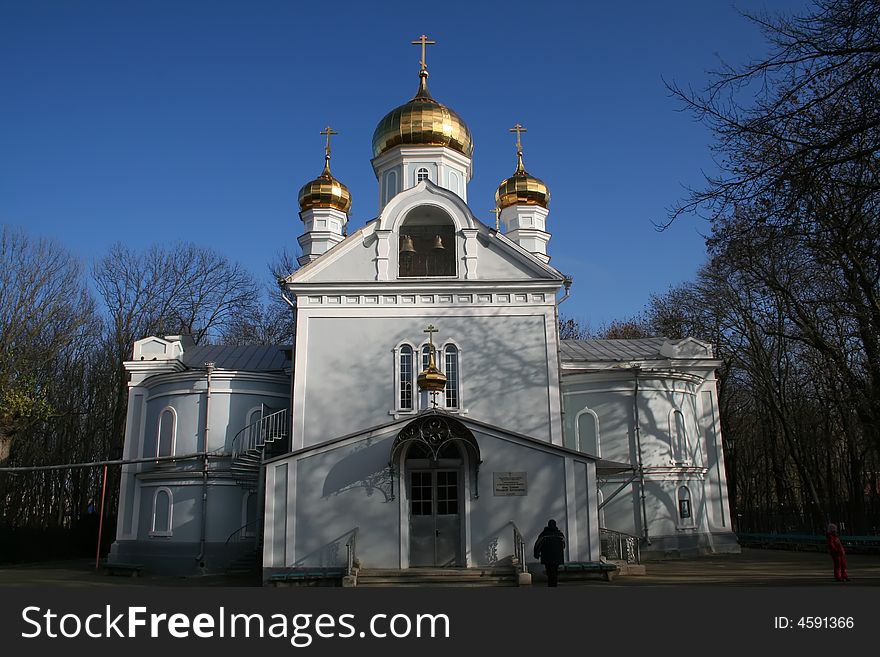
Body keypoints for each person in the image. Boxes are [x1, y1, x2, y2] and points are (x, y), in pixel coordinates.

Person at [534, 519, 566, 587]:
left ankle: (551, 585)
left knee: (549, 572)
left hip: (547, 557)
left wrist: (536, 554)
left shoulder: (544, 534)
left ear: (548, 525)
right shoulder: (560, 534)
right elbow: (564, 545)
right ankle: (554, 584)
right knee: (555, 571)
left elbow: (538, 544)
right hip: (557, 557)